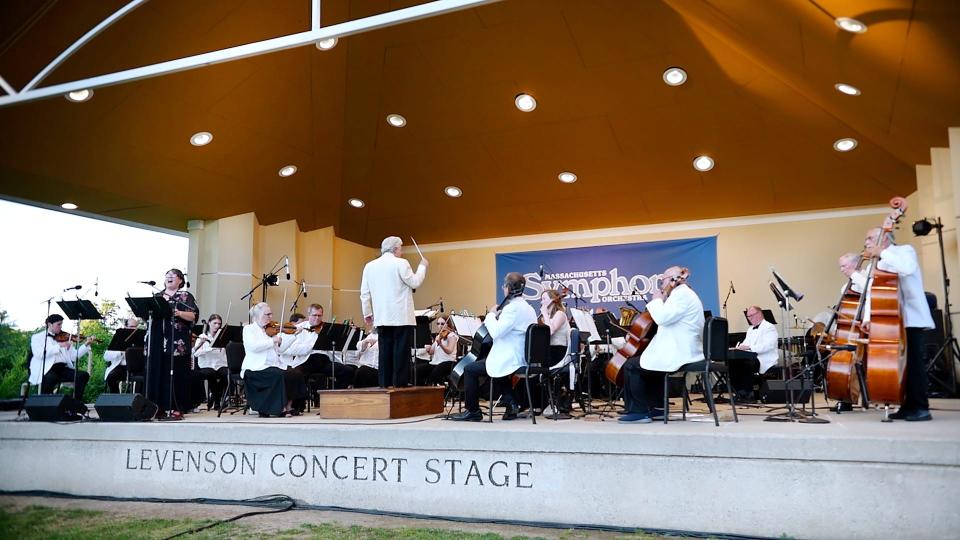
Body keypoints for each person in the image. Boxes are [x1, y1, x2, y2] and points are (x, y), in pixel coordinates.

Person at [862, 227, 935, 421]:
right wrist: (868, 319)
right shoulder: (878, 262)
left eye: (870, 238)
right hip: (891, 319)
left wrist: (882, 253)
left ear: (884, 239)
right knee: (900, 366)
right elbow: (873, 292)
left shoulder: (904, 251)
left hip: (911, 318)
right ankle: (907, 405)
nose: (866, 242)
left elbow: (907, 268)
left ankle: (921, 407)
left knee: (914, 364)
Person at [619, 266, 704, 424]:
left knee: (631, 365)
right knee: (651, 364)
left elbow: (662, 318)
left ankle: (639, 411)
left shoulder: (681, 295)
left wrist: (657, 299)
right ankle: (658, 408)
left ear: (672, 280)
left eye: (662, 280)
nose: (661, 285)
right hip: (684, 347)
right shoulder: (684, 294)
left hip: (681, 351)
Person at [451, 272, 537, 422]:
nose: (503, 289)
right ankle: (511, 403)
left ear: (509, 288)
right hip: (523, 356)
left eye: (504, 286)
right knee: (496, 370)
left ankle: (473, 411)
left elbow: (496, 332)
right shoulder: (529, 308)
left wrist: (491, 315)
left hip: (510, 357)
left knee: (469, 369)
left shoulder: (512, 308)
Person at [360, 236, 428, 387]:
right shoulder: (401, 263)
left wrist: (367, 313)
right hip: (401, 316)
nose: (402, 252)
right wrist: (422, 266)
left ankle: (384, 384)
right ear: (396, 249)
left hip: (382, 317)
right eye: (401, 249)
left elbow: (364, 293)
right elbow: (415, 282)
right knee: (401, 352)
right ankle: (400, 384)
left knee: (385, 351)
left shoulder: (369, 266)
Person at [146, 268, 198, 419]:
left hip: (177, 343)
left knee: (177, 375)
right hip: (158, 342)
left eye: (173, 275)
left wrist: (179, 313)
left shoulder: (184, 296)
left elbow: (193, 315)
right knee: (159, 374)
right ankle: (158, 406)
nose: (169, 277)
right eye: (167, 275)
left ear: (180, 280)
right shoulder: (158, 296)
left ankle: (177, 407)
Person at [241, 302, 308, 417]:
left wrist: (294, 335)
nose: (270, 317)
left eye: (271, 314)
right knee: (277, 374)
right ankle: (277, 408)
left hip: (274, 365)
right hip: (256, 367)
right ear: (257, 316)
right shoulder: (249, 329)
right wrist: (273, 340)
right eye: (267, 314)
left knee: (295, 373)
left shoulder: (270, 330)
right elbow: (253, 346)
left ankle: (289, 406)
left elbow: (281, 350)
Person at [29, 314, 95, 402]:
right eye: (58, 324)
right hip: (47, 368)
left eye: (61, 324)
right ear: (49, 325)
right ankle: (46, 405)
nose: (61, 327)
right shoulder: (38, 337)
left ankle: (74, 404)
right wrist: (59, 346)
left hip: (62, 369)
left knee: (83, 375)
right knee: (50, 378)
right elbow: (39, 354)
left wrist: (86, 344)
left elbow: (73, 356)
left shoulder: (64, 337)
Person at [288, 304, 354, 390]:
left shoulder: (327, 328)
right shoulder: (299, 328)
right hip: (306, 360)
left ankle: (333, 397)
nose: (317, 318)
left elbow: (335, 349)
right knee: (295, 376)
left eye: (319, 315)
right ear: (309, 315)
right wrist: (312, 345)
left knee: (348, 370)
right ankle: (300, 402)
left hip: (324, 360)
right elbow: (292, 349)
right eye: (314, 315)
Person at [729, 306, 778, 401]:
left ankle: (748, 393)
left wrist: (750, 347)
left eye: (751, 315)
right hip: (752, 357)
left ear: (759, 314)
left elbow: (768, 346)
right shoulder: (750, 329)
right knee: (733, 362)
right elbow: (745, 344)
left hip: (764, 359)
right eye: (748, 316)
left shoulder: (769, 327)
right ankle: (739, 391)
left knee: (747, 364)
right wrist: (737, 348)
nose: (749, 318)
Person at [190, 314, 228, 409]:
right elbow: (195, 353)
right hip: (206, 365)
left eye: (219, 324)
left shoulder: (222, 337)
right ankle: (217, 402)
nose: (217, 326)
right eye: (214, 323)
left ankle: (214, 397)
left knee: (226, 374)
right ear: (209, 323)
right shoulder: (203, 336)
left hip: (220, 364)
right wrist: (208, 348)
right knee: (211, 374)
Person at [414, 315, 459, 386]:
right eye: (438, 324)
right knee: (417, 370)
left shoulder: (452, 336)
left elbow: (449, 350)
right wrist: (428, 349)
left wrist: (440, 344)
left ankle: (434, 391)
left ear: (448, 324)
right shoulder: (438, 336)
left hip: (447, 361)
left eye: (442, 324)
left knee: (435, 373)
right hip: (435, 362)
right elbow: (431, 352)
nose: (440, 326)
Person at [104, 317, 141, 394]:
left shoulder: (139, 336)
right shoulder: (119, 337)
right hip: (121, 367)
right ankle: (115, 400)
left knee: (142, 379)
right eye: (131, 327)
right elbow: (106, 356)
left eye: (135, 327)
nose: (133, 330)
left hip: (136, 368)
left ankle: (137, 402)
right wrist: (120, 353)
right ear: (126, 327)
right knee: (111, 377)